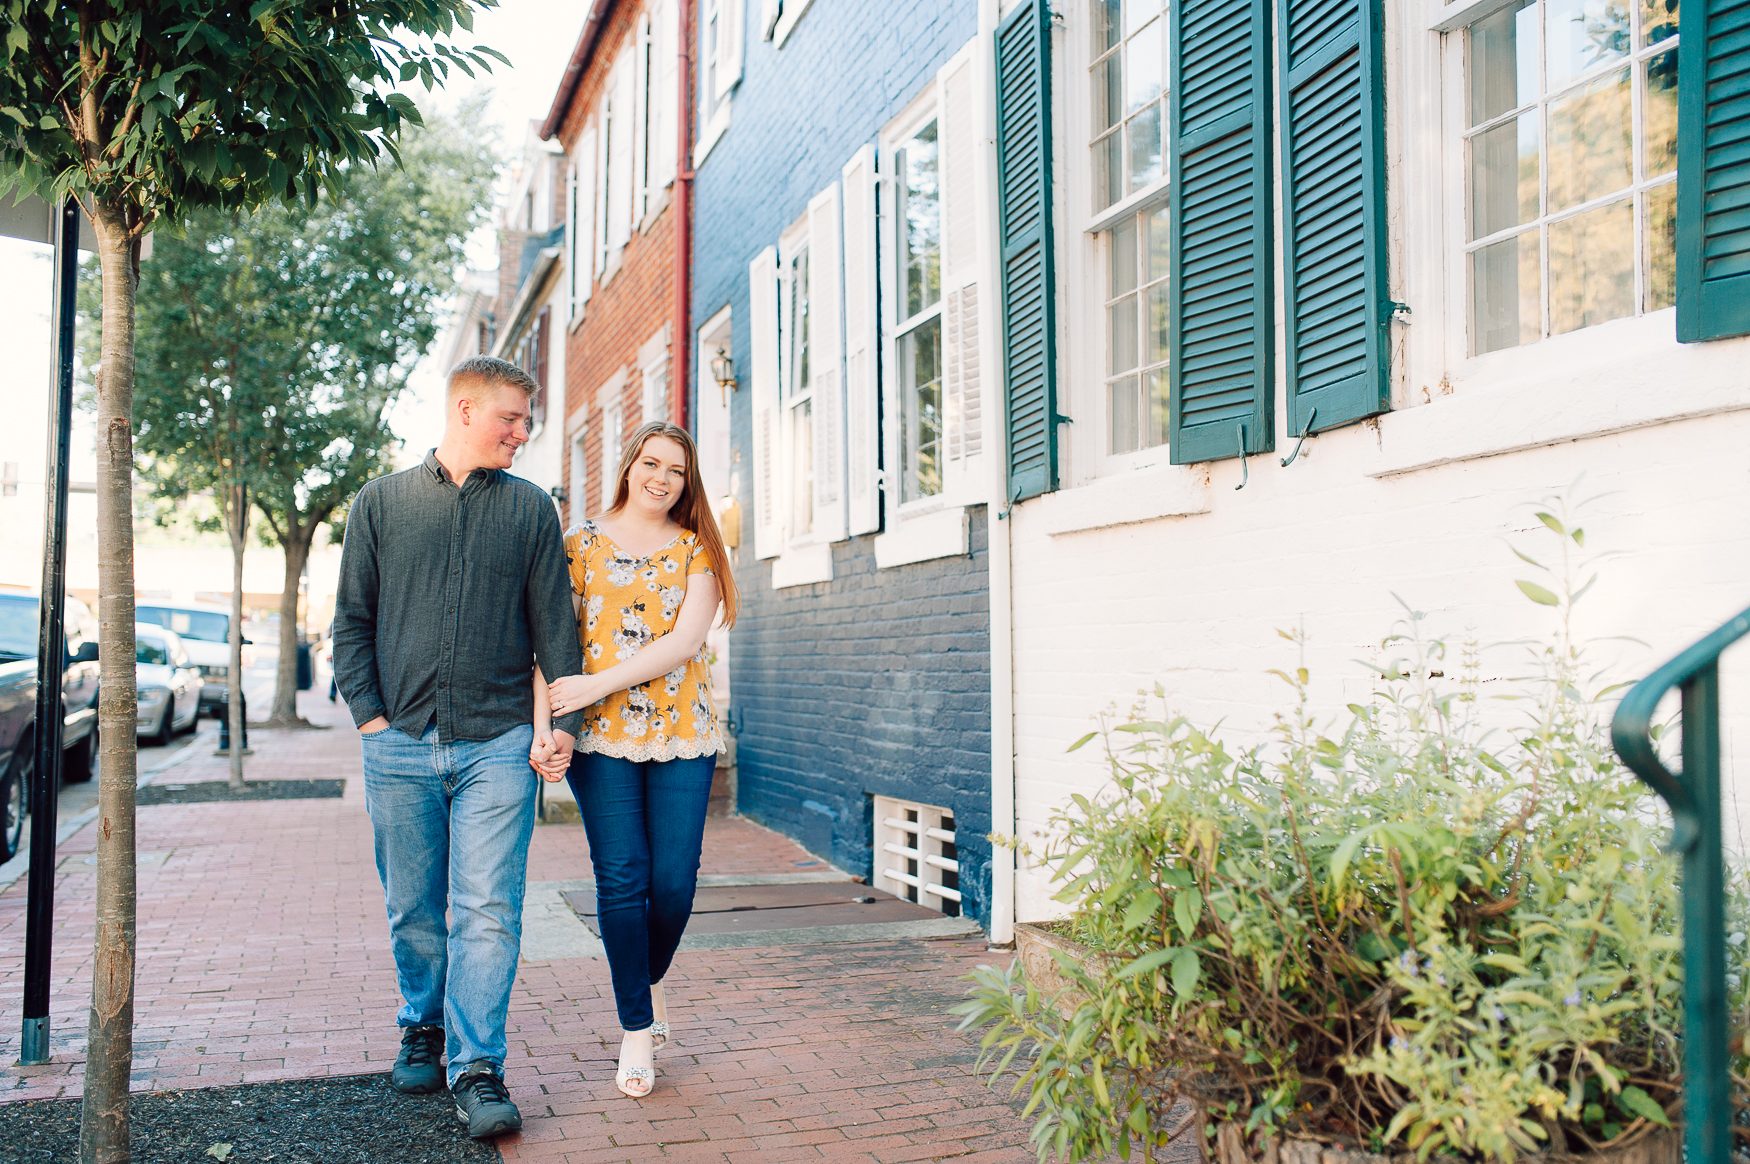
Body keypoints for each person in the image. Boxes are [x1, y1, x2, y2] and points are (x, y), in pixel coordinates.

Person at [332, 356, 585, 1139]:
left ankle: (478, 1068)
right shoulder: (380, 503)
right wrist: (371, 720)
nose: (523, 433)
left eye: (528, 421)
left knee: (488, 909)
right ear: (466, 409)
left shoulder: (531, 509)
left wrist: (561, 726)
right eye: (512, 418)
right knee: (415, 908)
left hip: (499, 744)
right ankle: (423, 1026)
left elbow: (556, 628)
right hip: (398, 742)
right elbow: (351, 623)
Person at [537, 420, 740, 1099]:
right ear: (628, 466)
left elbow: (686, 642)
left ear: (688, 482)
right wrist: (551, 724)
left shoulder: (696, 549)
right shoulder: (580, 545)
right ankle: (635, 1026)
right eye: (651, 463)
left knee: (675, 885)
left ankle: (644, 987)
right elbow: (552, 645)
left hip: (684, 732)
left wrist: (594, 683)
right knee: (621, 880)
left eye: (675, 470)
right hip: (601, 740)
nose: (661, 478)